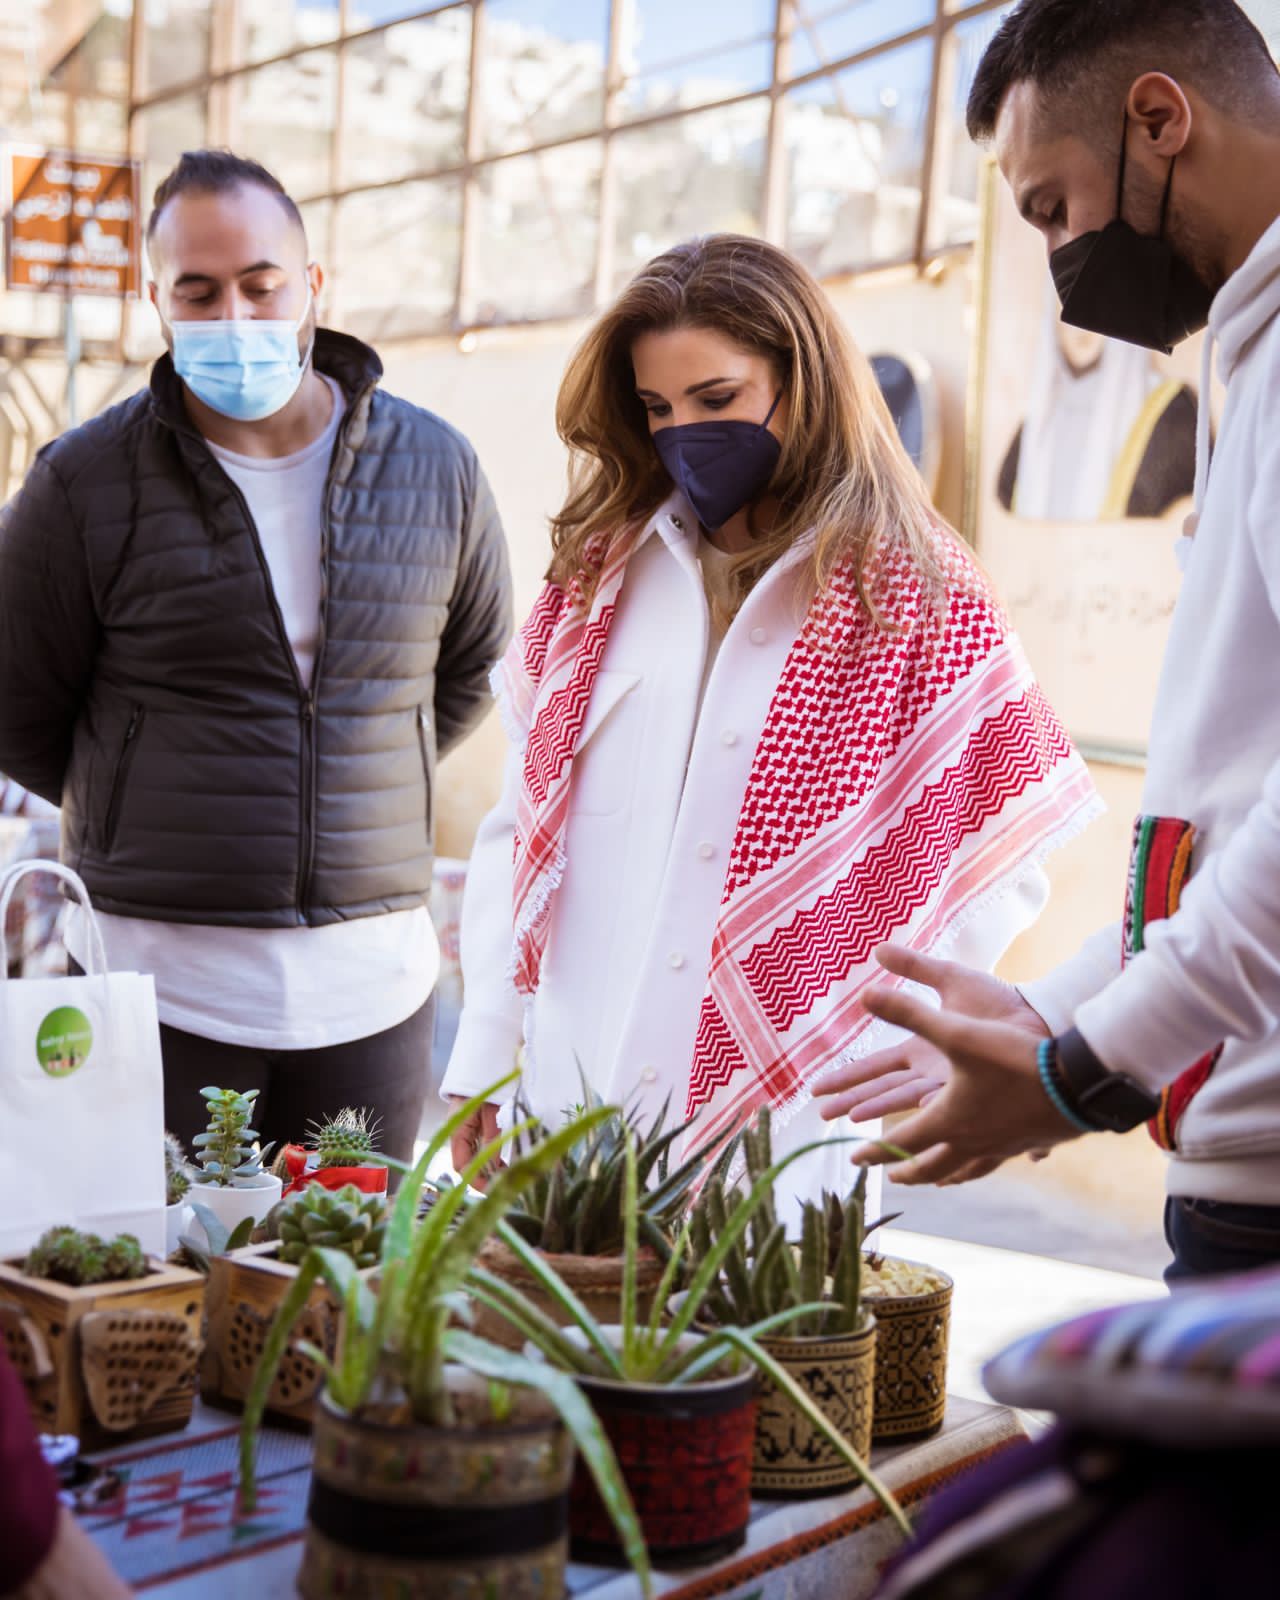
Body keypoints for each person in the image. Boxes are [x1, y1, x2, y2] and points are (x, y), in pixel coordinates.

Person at [441, 233, 1099, 1212]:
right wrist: (481, 1056)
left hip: (790, 1139)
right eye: (657, 409)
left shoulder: (918, 591)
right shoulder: (592, 582)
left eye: (716, 400)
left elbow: (994, 850)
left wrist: (876, 1033)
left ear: (805, 382)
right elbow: (518, 835)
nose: (681, 434)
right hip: (569, 1113)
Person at [818, 0, 1280, 1282]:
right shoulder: (1253, 362)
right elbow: (1227, 819)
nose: (1056, 258)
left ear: (1155, 118)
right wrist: (1043, 1013)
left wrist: (1084, 1070)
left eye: (1049, 208)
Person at [0, 151, 512, 1163]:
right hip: (162, 991)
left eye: (259, 283)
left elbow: (470, 669)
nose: (232, 314)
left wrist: (360, 770)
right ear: (158, 300)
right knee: (160, 1305)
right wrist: (143, 795)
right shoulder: (83, 482)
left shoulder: (436, 465)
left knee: (343, 1300)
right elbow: (17, 704)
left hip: (374, 997)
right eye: (198, 290)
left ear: (311, 286)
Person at [997, 294, 1198, 521]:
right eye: (1067, 306)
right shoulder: (1036, 427)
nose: (1080, 326)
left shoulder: (1173, 412)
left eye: (1096, 308)